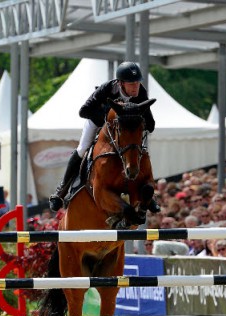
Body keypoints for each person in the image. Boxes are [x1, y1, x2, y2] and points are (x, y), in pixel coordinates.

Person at [49, 61, 157, 212]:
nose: (135, 87)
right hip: (98, 122)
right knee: (82, 149)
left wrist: (140, 122)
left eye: (137, 83)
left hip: (123, 130)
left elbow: (150, 124)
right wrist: (108, 118)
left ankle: (147, 196)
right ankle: (61, 192)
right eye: (131, 84)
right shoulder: (107, 88)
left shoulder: (141, 93)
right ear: (121, 83)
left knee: (139, 150)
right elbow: (84, 111)